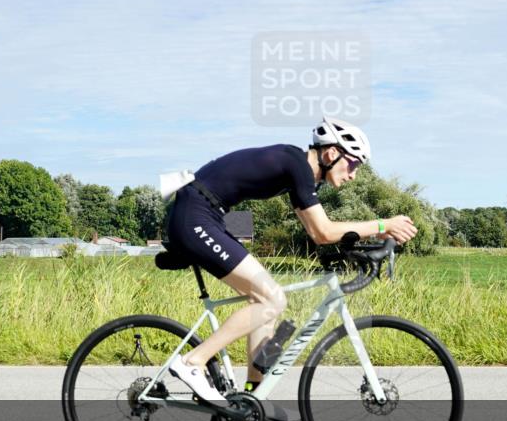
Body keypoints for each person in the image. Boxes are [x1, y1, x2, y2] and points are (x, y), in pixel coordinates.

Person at [164, 117, 418, 403]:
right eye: (354, 164)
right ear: (332, 153)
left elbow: (315, 232)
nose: (354, 175)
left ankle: (252, 396)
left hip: (205, 216)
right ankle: (192, 363)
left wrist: (360, 243)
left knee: (266, 303)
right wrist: (384, 226)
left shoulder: (299, 171)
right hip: (194, 217)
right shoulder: (295, 164)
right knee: (272, 299)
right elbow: (323, 232)